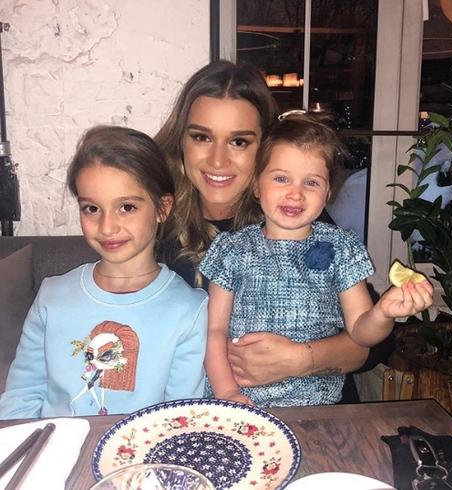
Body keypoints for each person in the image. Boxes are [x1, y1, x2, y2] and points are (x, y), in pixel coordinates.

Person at [155, 60, 375, 403]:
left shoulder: (295, 214)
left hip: (316, 412)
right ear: (181, 141)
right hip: (214, 414)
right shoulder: (155, 224)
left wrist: (300, 360)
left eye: (239, 141)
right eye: (202, 137)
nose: (217, 160)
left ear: (266, 149)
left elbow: (370, 347)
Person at [199, 113, 434, 407]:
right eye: (281, 178)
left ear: (327, 193)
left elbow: (362, 333)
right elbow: (214, 331)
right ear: (257, 185)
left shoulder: (342, 247)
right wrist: (227, 394)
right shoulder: (232, 249)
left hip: (320, 408)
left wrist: (384, 312)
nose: (295, 193)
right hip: (243, 404)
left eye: (311, 183)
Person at [0, 126, 208, 419]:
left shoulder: (188, 310)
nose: (107, 227)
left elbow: (181, 417)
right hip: (55, 444)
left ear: (162, 209)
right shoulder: (52, 296)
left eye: (127, 207)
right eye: (92, 209)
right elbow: (20, 397)